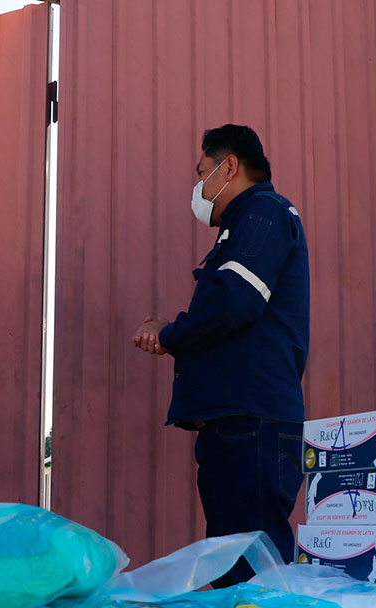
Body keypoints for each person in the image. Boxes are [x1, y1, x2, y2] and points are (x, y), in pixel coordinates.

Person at [132, 124, 309, 584]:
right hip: (236, 423)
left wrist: (170, 334)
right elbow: (228, 308)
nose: (198, 186)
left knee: (252, 575)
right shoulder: (246, 223)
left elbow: (234, 301)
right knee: (235, 569)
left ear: (229, 166)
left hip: (251, 424)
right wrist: (175, 330)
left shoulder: (264, 213)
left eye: (201, 172)